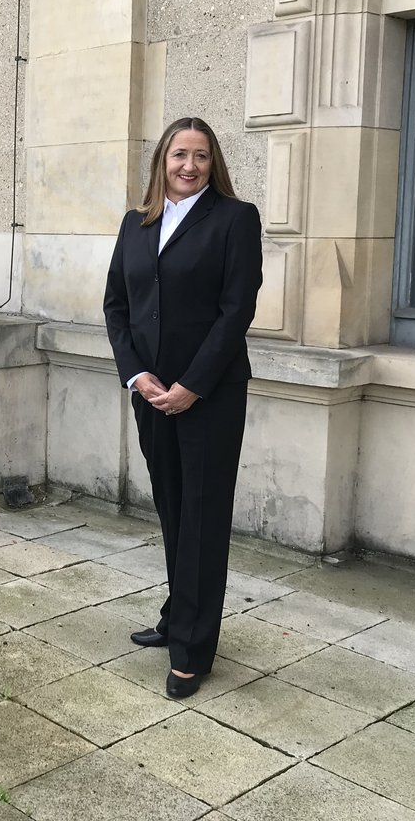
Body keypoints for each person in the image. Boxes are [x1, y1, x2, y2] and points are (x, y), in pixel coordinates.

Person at [103, 116, 262, 699]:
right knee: (172, 508)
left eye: (199, 155)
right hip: (151, 393)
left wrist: (192, 384)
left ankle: (193, 649)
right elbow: (117, 306)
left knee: (202, 517)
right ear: (160, 164)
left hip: (209, 397)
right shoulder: (136, 223)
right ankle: (179, 615)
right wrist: (137, 375)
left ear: (212, 161)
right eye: (178, 156)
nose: (188, 166)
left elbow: (236, 310)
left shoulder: (235, 220)